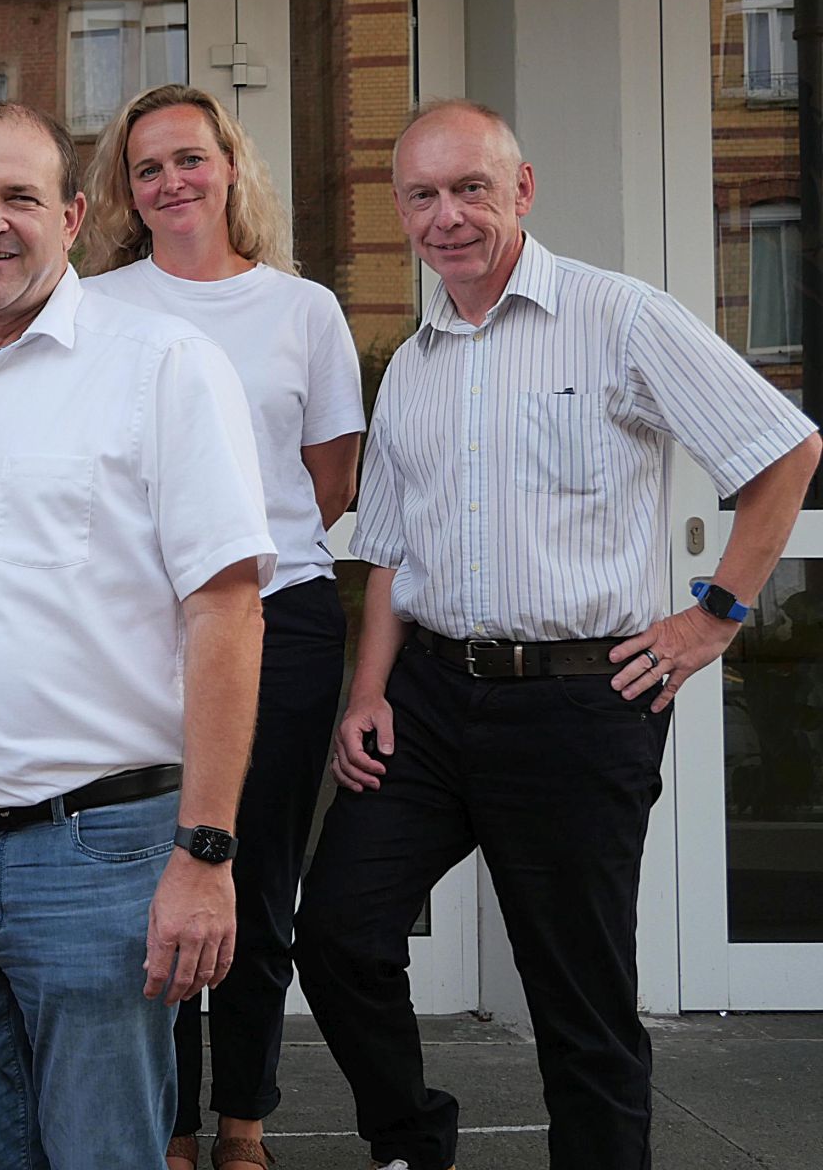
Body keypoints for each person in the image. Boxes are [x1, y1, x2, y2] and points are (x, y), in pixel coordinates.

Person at [293, 99, 821, 1170]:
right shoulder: (416, 361)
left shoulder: (618, 316)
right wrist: (367, 693)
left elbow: (785, 452)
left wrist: (714, 615)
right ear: (401, 209)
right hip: (432, 699)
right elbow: (390, 548)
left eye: (471, 189)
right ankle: (409, 1144)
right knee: (340, 930)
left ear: (521, 190)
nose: (448, 217)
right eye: (424, 195)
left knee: (577, 996)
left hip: (583, 703)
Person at [0, 101, 276, 1169]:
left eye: (19, 199)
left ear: (76, 215)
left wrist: (206, 853)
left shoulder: (162, 365)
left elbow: (227, 610)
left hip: (99, 858)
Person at [83, 84, 364, 1170]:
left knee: (252, 875)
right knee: (152, 877)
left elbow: (325, 486)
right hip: (139, 626)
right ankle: (170, 1127)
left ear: (230, 167)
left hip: (279, 620)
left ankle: (243, 1121)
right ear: (127, 191)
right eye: (148, 168)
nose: (172, 182)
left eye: (189, 159)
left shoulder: (304, 312)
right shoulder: (102, 307)